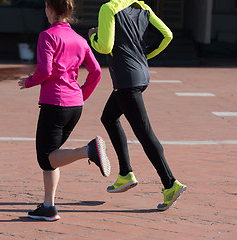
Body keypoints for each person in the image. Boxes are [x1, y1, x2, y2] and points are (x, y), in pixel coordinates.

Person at [88, 0, 186, 211]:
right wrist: (144, 55)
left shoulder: (109, 8)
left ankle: (170, 183)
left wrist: (93, 38)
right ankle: (125, 173)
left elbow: (105, 46)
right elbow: (167, 35)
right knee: (109, 118)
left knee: (144, 133)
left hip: (126, 81)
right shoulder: (143, 7)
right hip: (140, 76)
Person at [18, 0, 110, 221]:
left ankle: (89, 151)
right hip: (74, 106)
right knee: (53, 156)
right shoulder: (80, 39)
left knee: (46, 158)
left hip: (55, 104)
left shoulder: (47, 36)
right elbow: (96, 71)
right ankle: (49, 206)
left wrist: (28, 81)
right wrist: (81, 95)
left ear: (50, 10)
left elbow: (45, 70)